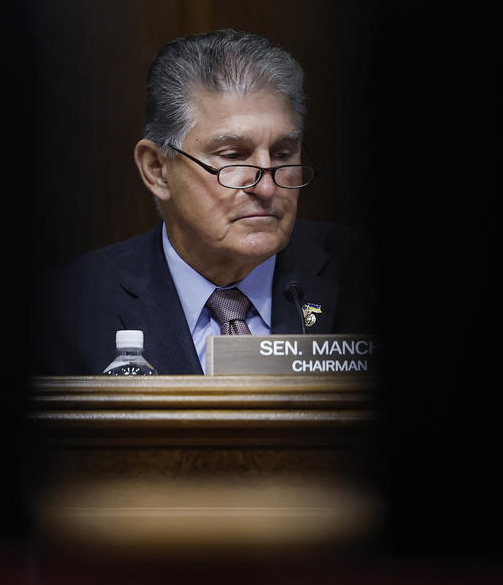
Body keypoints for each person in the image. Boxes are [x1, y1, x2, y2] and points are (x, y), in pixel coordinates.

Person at [40, 29, 376, 375]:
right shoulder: (69, 308)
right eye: (233, 156)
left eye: (282, 154)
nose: (266, 187)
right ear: (157, 170)